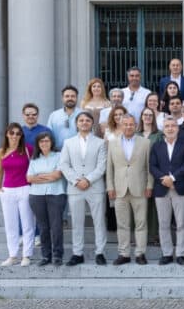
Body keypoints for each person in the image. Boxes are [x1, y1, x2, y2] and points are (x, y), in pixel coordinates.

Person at [59, 111, 108, 266]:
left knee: (99, 221)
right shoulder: (68, 142)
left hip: (95, 187)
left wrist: (88, 180)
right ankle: (77, 253)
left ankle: (100, 252)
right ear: (77, 123)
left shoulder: (100, 142)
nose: (84, 122)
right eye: (81, 120)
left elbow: (102, 166)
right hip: (75, 188)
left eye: (87, 120)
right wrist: (76, 180)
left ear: (92, 123)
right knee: (77, 222)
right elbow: (64, 164)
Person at [106, 114, 153, 265]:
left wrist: (149, 185)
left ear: (136, 125)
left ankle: (140, 253)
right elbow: (109, 168)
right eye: (125, 124)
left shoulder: (145, 143)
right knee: (122, 224)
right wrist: (110, 187)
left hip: (139, 188)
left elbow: (149, 167)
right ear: (120, 125)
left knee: (141, 223)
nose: (128, 127)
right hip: (119, 189)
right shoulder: (112, 143)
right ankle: (124, 254)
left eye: (131, 124)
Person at [149, 116, 184, 266]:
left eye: (173, 126)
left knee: (181, 223)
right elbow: (152, 166)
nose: (170, 128)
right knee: (163, 223)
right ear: (163, 129)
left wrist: (173, 178)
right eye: (167, 126)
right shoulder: (156, 146)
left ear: (177, 128)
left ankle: (181, 253)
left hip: (180, 188)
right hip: (161, 189)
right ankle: (167, 253)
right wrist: (164, 178)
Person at [0, 123, 34, 266]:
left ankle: (27, 255)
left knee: (27, 223)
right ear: (7, 134)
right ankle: (13, 255)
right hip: (7, 191)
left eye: (18, 133)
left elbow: (35, 168)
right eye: (12, 133)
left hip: (25, 189)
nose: (15, 136)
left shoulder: (27, 149)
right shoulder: (1, 152)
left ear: (21, 136)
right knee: (10, 224)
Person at [27, 131, 65, 267]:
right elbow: (29, 178)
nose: (44, 143)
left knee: (56, 226)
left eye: (47, 141)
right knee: (43, 227)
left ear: (51, 142)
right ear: (38, 144)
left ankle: (57, 256)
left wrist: (40, 176)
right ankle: (46, 256)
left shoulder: (60, 156)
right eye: (41, 141)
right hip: (36, 196)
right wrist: (48, 176)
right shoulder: (34, 159)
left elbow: (57, 176)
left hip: (56, 194)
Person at [47, 85, 82, 150]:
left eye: (73, 96)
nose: (70, 98)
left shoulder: (83, 114)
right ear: (62, 98)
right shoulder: (54, 115)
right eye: (67, 96)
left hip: (78, 151)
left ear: (77, 98)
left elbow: (90, 134)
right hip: (58, 152)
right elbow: (49, 134)